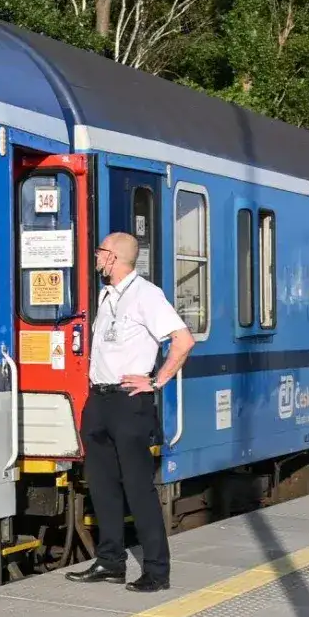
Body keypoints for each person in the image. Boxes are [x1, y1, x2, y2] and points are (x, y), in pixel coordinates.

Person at [65, 231, 195, 592]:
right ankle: (111, 562)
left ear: (115, 257)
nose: (95, 256)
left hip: (128, 401)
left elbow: (183, 341)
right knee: (103, 485)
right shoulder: (106, 297)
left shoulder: (146, 295)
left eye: (100, 251)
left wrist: (155, 381)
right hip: (100, 401)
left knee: (138, 487)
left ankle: (157, 570)